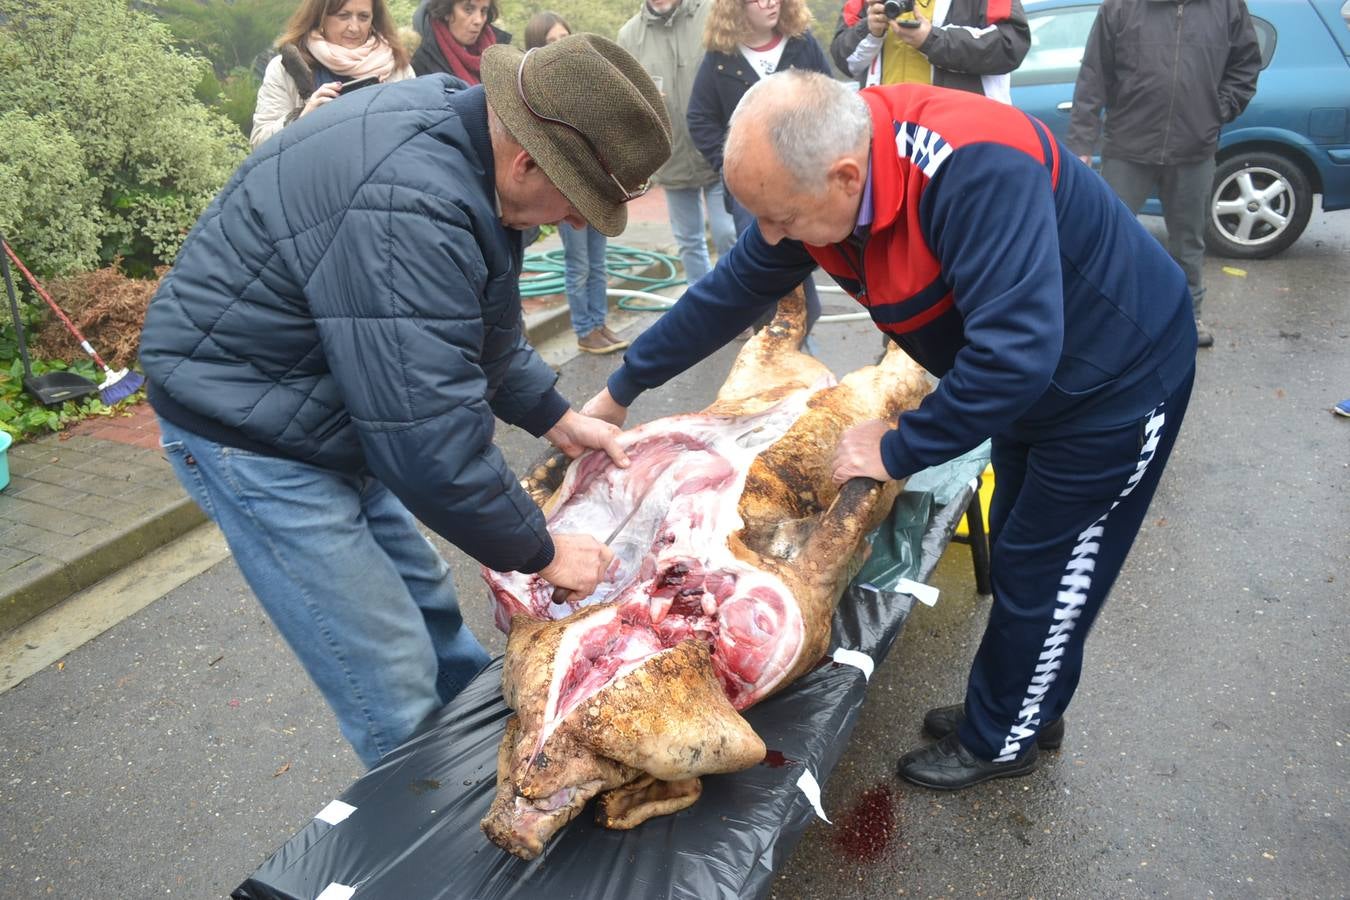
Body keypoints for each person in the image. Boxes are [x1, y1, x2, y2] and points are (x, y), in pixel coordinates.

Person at [583, 71, 1197, 790]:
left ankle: (1002, 740)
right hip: (1036, 390)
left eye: (781, 219)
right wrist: (622, 388)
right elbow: (729, 290)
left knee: (1047, 568)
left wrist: (899, 446)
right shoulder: (819, 185)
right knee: (1024, 539)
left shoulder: (976, 169)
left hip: (1115, 386)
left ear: (845, 177)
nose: (772, 237)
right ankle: (1022, 703)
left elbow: (1015, 355)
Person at [139, 35, 672, 768]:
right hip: (248, 427)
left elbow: (474, 327)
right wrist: (543, 552)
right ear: (527, 161)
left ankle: (489, 757)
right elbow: (427, 443)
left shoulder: (468, 144)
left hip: (321, 401)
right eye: (577, 204)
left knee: (425, 597)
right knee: (384, 662)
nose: (575, 224)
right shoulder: (412, 204)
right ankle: (432, 829)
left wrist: (556, 416)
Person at [1068, 0, 1261, 349]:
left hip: (1194, 148)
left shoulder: (1228, 7)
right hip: (1128, 145)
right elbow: (1093, 74)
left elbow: (1246, 65)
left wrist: (1217, 110)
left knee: (1188, 241)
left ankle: (1189, 314)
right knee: (1111, 239)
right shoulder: (1121, 7)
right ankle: (1106, 317)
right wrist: (1082, 141)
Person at [687, 0, 831, 333]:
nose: (769, 3)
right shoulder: (721, 57)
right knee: (764, 275)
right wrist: (731, 166)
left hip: (803, 179)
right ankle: (772, 353)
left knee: (802, 264)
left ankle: (795, 345)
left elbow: (830, 97)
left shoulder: (802, 44)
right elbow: (700, 117)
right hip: (752, 192)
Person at [524, 12, 629, 355]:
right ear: (536, 47)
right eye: (550, 41)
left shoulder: (585, 83)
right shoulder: (534, 92)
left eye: (563, 38)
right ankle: (584, 330)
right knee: (578, 263)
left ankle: (599, 322)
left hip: (598, 187)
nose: (558, 46)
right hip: (567, 192)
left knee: (599, 262)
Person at [618, 0, 737, 285]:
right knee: (688, 241)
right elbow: (625, 97)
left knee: (727, 233)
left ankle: (738, 306)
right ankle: (704, 310)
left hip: (718, 149)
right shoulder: (629, 36)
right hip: (670, 155)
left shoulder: (712, 13)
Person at [250, 0, 415, 149]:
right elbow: (259, 144)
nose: (354, 27)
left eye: (364, 17)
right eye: (343, 16)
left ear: (374, 19)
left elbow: (418, 132)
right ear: (321, 17)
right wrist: (303, 119)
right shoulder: (284, 68)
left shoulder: (397, 67)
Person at [830, 0, 1028, 101]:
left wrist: (931, 40)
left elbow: (1009, 45)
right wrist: (869, 29)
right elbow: (844, 59)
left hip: (957, 134)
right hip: (886, 132)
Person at [411, 0, 510, 83]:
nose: (478, 20)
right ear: (447, 11)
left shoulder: (499, 52)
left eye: (483, 11)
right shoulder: (421, 61)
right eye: (468, 10)